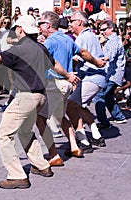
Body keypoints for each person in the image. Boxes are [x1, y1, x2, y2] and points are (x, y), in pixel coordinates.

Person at [0, 15, 78, 189]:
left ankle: (17, 175)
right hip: (41, 97)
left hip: (25, 97)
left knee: (4, 135)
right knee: (25, 131)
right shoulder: (40, 47)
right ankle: (41, 165)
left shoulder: (19, 48)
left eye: (16, 29)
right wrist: (68, 75)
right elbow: (54, 64)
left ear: (21, 29)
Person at [36, 11, 106, 166]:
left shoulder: (50, 42)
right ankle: (75, 146)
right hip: (67, 85)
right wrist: (96, 61)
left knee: (40, 119)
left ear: (48, 25)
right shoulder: (67, 39)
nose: (38, 26)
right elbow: (83, 52)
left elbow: (41, 63)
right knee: (61, 117)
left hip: (56, 84)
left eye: (40, 23)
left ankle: (54, 155)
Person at [67, 11, 108, 152]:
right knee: (80, 106)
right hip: (94, 77)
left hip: (92, 76)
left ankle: (84, 141)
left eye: (71, 20)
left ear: (79, 22)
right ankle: (96, 136)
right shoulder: (88, 35)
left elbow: (76, 56)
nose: (69, 23)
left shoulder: (82, 38)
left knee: (71, 105)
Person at [94, 20, 127, 129]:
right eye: (100, 30)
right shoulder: (112, 40)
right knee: (108, 96)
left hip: (112, 74)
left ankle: (104, 122)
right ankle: (119, 117)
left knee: (99, 96)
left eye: (104, 29)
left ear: (111, 29)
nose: (102, 32)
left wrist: (96, 61)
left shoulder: (113, 40)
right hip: (113, 73)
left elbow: (109, 56)